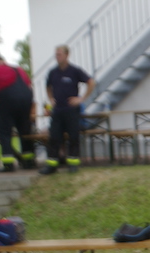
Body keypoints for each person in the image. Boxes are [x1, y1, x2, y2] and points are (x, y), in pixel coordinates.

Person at [39, 45, 95, 175]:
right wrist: (51, 99)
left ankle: (73, 164)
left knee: (73, 136)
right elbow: (48, 86)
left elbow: (91, 82)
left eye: (59, 54)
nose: (57, 57)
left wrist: (81, 99)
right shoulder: (53, 72)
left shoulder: (75, 71)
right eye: (56, 54)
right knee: (54, 137)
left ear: (66, 55)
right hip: (57, 110)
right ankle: (52, 165)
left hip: (71, 110)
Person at [0, 55, 34, 173]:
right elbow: (29, 87)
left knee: (4, 132)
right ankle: (28, 161)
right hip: (26, 100)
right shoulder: (18, 69)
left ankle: (8, 164)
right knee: (24, 131)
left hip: (7, 100)